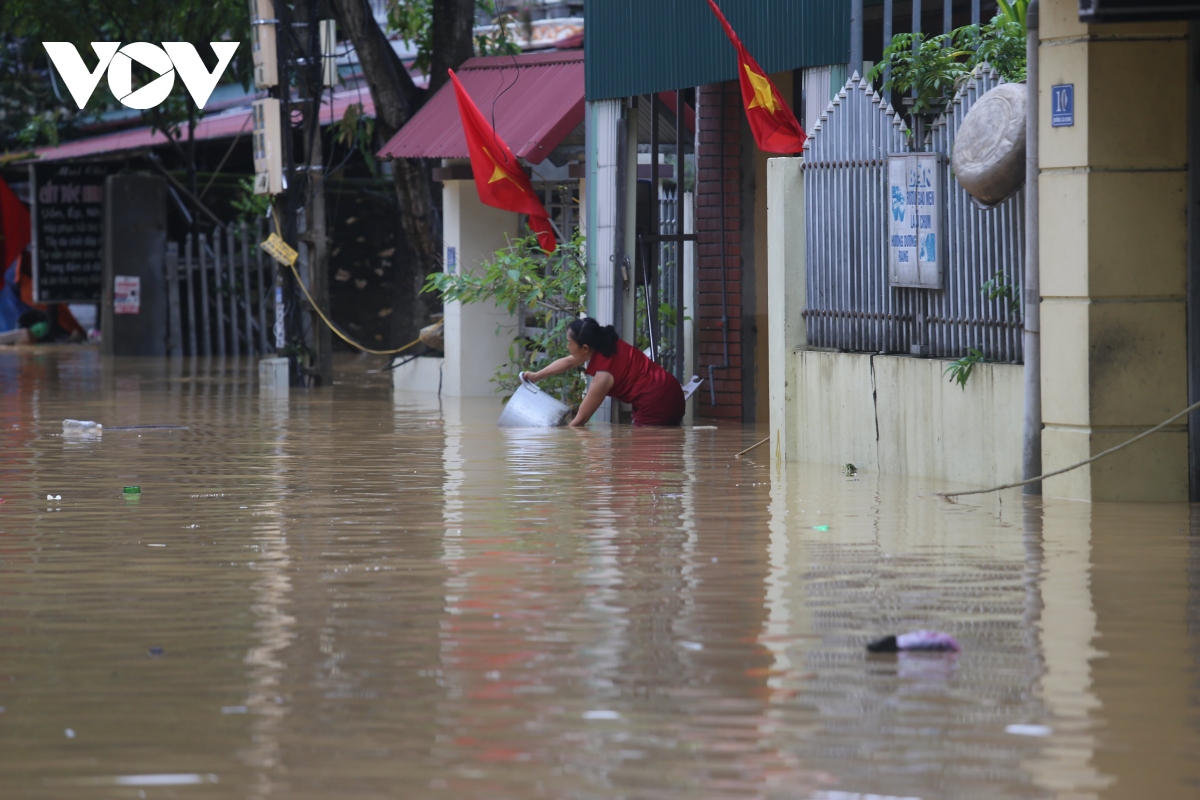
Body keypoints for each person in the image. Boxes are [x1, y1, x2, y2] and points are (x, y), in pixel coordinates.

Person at [524, 317, 686, 428]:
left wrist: (552, 436)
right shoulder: (607, 344)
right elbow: (569, 361)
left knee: (643, 455)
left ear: (585, 348)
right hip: (672, 391)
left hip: (655, 403)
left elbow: (580, 420)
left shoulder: (603, 376)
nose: (568, 347)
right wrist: (536, 376)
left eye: (569, 343)